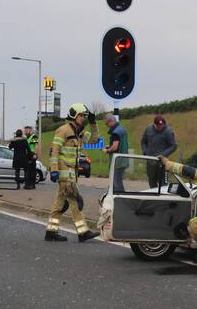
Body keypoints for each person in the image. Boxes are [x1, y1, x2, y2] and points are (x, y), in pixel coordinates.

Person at [45, 103, 100, 243]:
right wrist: (54, 170)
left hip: (72, 173)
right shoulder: (63, 130)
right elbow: (54, 151)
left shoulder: (80, 132)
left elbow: (95, 140)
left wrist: (93, 123)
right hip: (64, 173)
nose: (83, 118)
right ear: (74, 116)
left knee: (60, 204)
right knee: (75, 201)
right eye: (81, 116)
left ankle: (51, 232)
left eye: (84, 116)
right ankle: (83, 232)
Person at [140, 114, 177, 188]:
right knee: (151, 181)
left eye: (161, 125)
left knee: (163, 183)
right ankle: (153, 197)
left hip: (162, 162)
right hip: (150, 161)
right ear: (154, 124)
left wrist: (163, 154)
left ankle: (163, 198)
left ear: (163, 123)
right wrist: (145, 152)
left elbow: (173, 146)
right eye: (158, 126)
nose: (160, 127)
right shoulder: (148, 129)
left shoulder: (168, 131)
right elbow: (143, 141)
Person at [103, 113, 129, 193]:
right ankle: (112, 197)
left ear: (110, 121)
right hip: (124, 159)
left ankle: (121, 199)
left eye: (107, 124)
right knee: (116, 181)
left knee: (116, 182)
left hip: (117, 161)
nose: (107, 126)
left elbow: (115, 147)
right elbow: (119, 143)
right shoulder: (122, 129)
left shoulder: (115, 132)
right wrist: (109, 145)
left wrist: (107, 150)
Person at [23, 125, 39, 190]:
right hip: (27, 155)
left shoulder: (33, 137)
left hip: (32, 155)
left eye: (27, 130)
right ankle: (27, 185)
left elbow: (36, 146)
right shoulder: (26, 138)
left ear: (30, 130)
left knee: (32, 171)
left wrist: (35, 154)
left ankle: (32, 185)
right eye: (25, 130)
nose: (25, 131)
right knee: (27, 170)